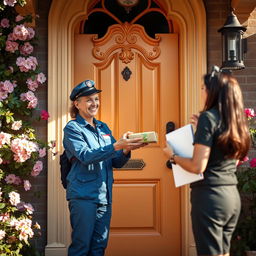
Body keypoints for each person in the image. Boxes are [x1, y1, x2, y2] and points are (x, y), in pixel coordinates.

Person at [164, 66, 250, 256]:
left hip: (209, 198)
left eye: (203, 88)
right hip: (231, 197)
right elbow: (233, 161)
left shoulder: (208, 118)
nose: (201, 92)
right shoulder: (235, 122)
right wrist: (202, 128)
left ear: (212, 92)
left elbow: (197, 166)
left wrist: (172, 156)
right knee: (223, 253)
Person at [63, 80, 147, 256]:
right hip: (84, 196)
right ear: (77, 104)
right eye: (89, 100)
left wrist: (125, 149)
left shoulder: (103, 128)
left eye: (96, 99)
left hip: (104, 196)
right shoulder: (73, 128)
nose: (94, 104)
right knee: (81, 247)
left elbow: (115, 162)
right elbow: (86, 156)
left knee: (99, 248)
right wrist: (116, 146)